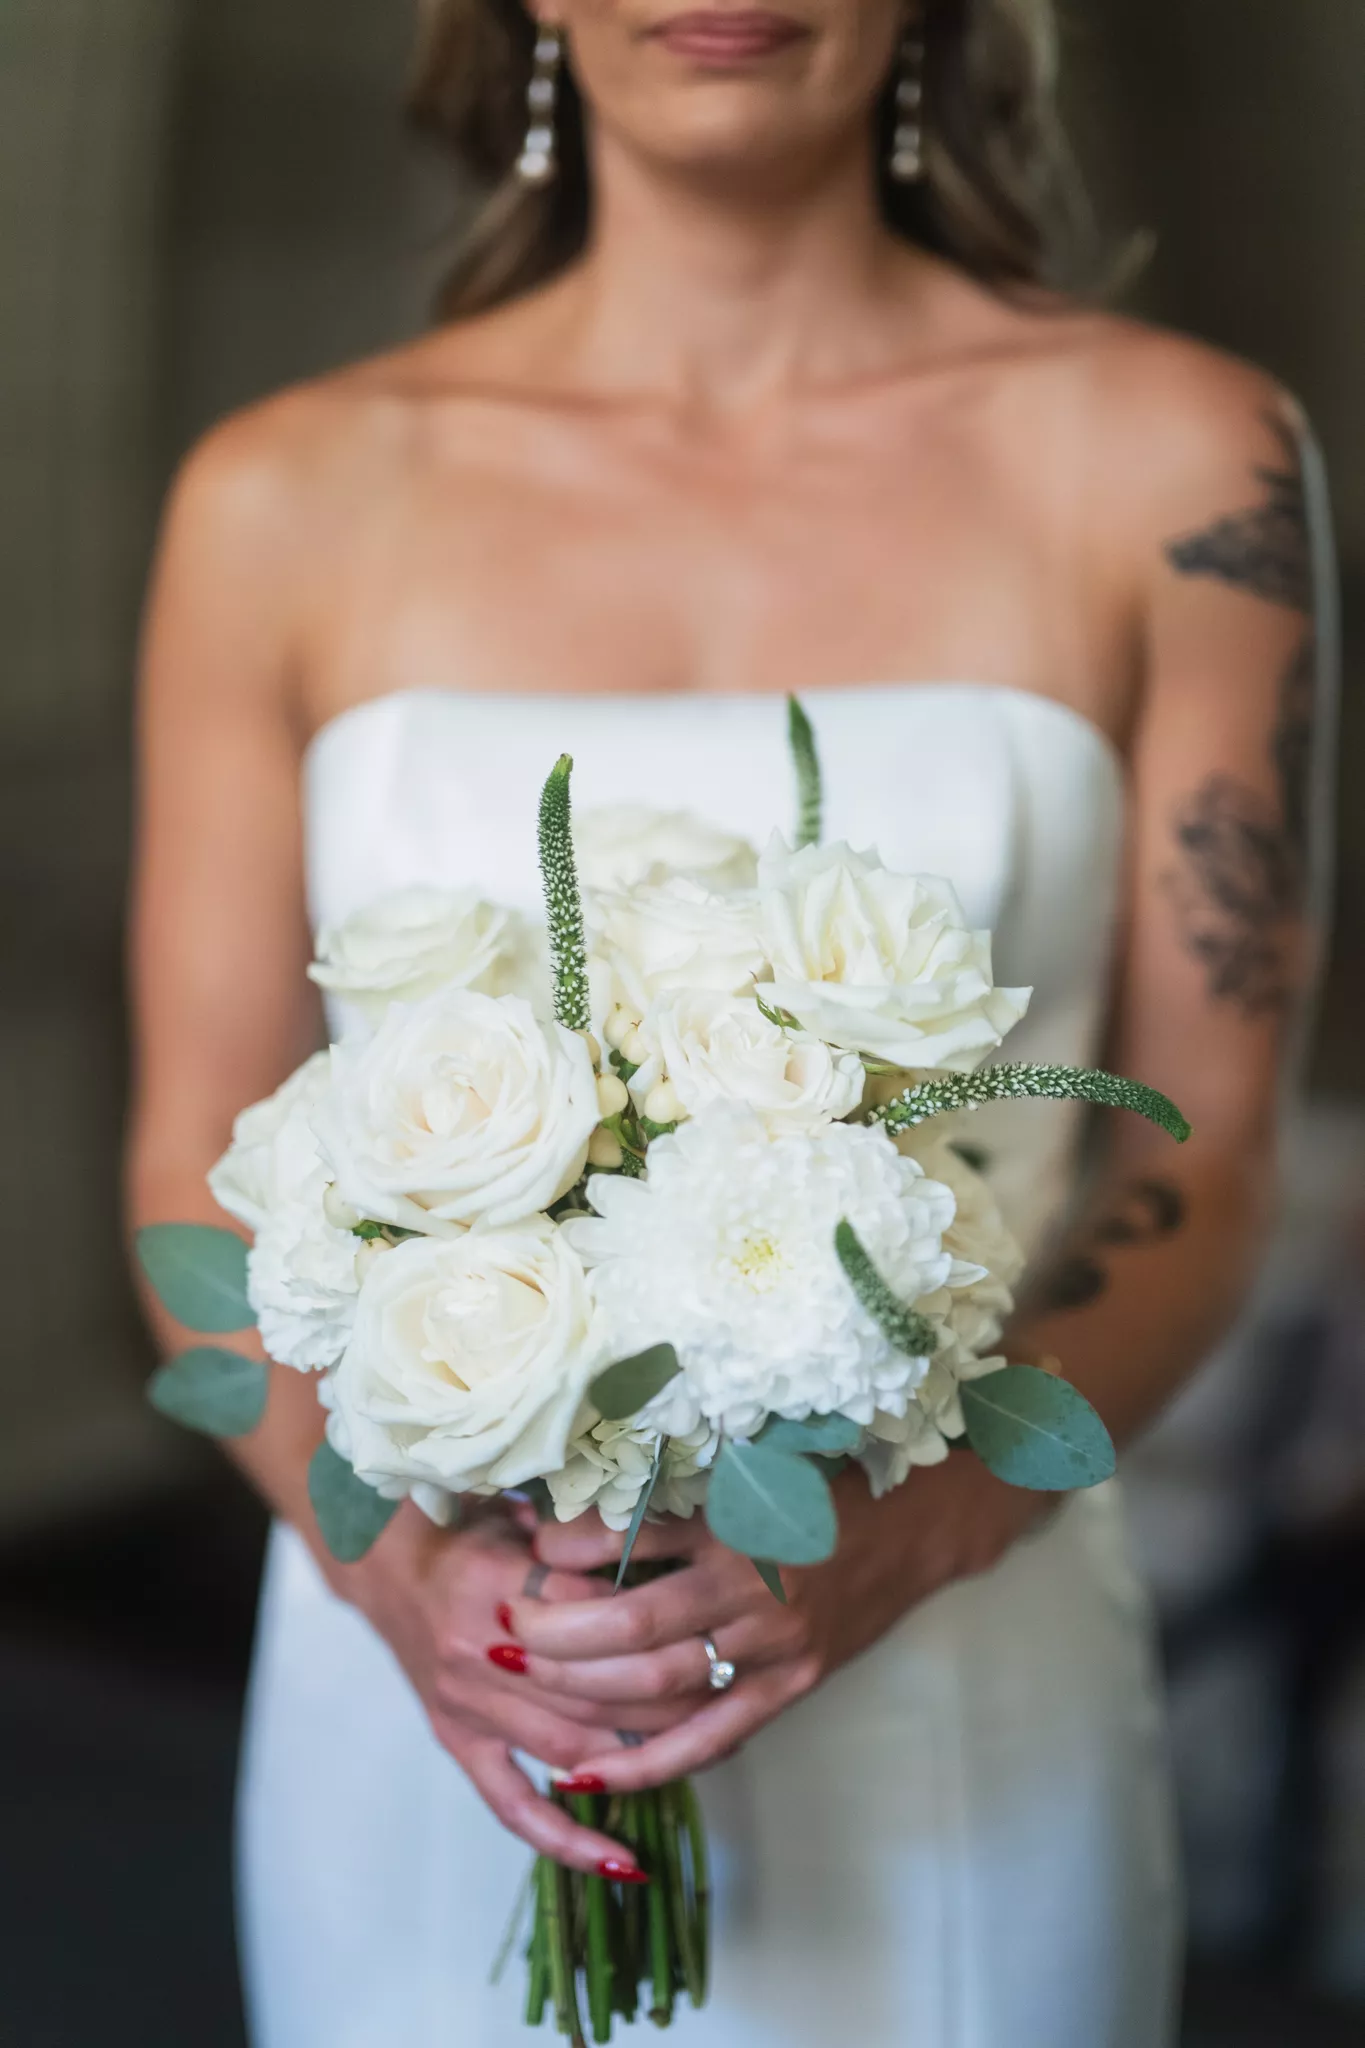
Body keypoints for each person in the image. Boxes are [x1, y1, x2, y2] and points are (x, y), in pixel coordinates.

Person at [126, 2, 1334, 2042]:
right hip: (451, 1692)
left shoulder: (1180, 462)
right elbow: (194, 1152)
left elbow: (1194, 1158)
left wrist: (883, 1543)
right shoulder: (283, 495)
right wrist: (411, 1594)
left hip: (954, 1653)